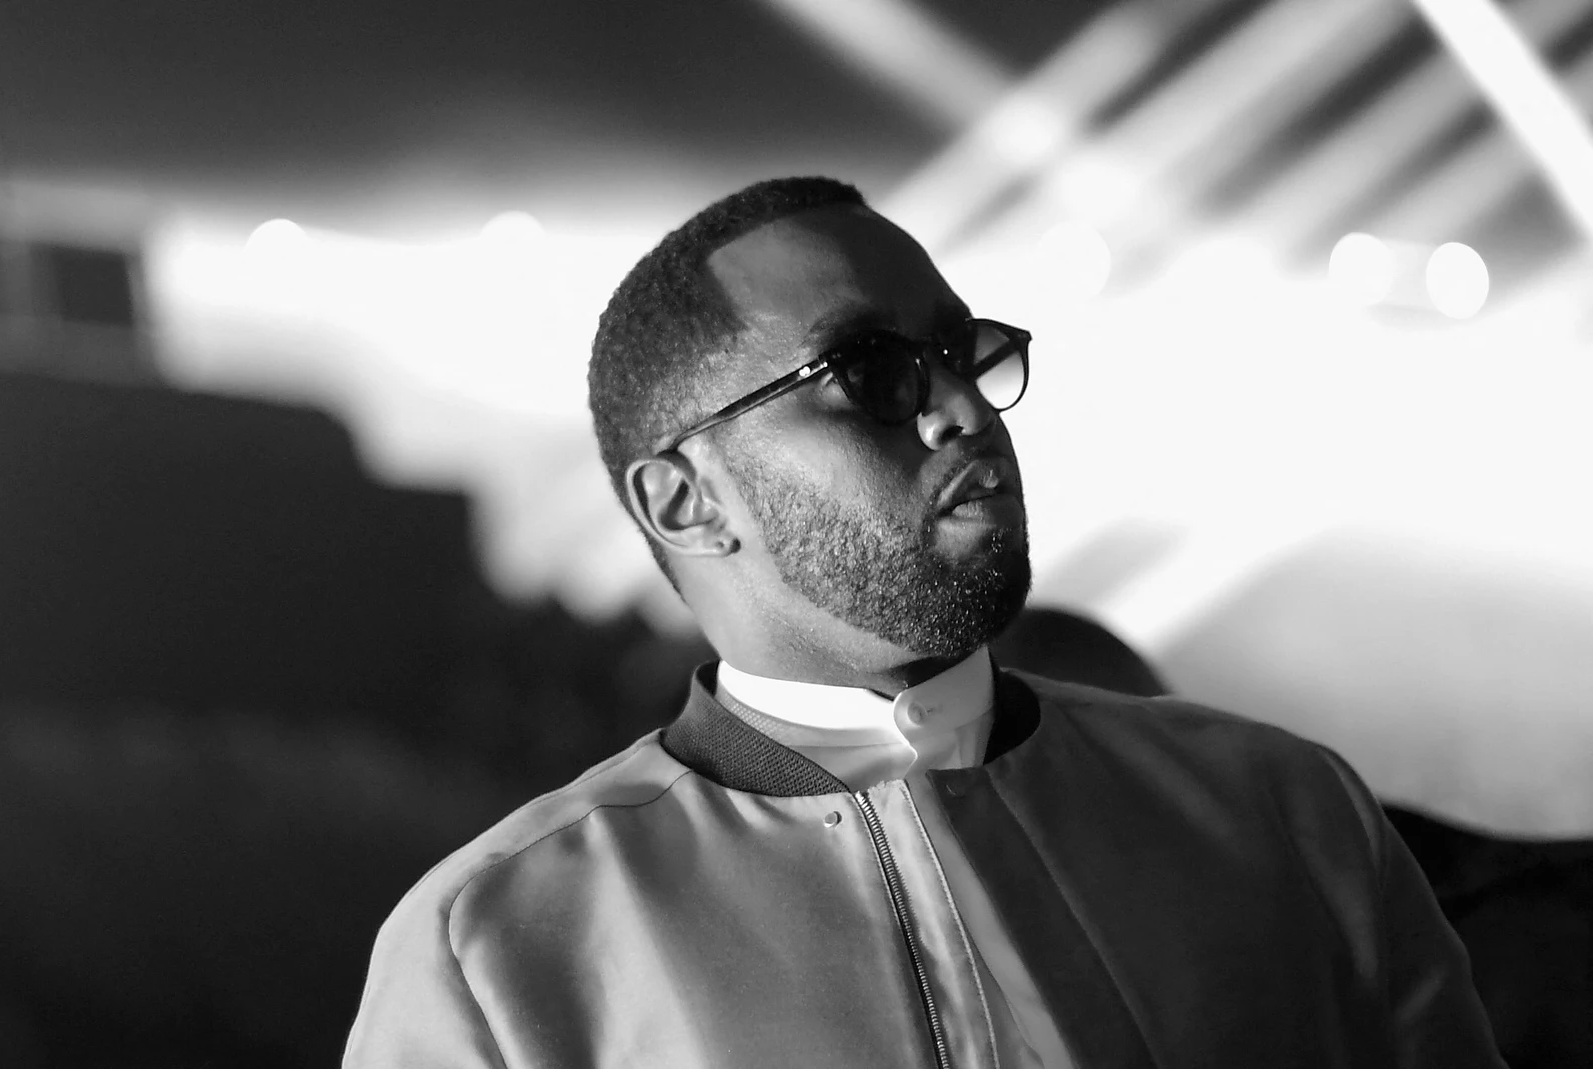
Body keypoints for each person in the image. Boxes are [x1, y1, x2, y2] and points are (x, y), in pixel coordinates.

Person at [342, 177, 1504, 1068]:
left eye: (959, 353)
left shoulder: (1282, 814)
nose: (960, 409)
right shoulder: (494, 949)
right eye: (869, 372)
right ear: (685, 501)